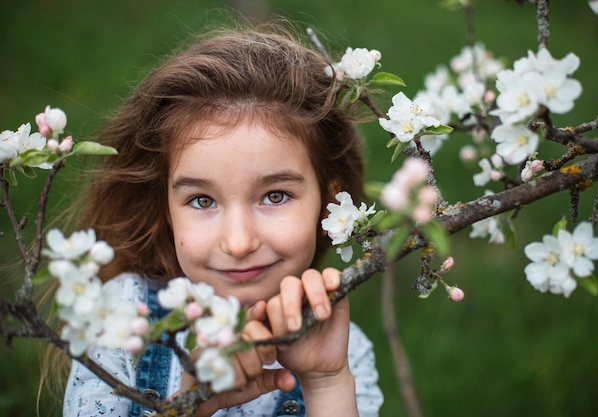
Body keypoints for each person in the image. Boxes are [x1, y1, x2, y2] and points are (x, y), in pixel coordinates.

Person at [61, 21, 383, 417]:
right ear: (167, 209)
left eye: (275, 196)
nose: (238, 242)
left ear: (330, 203)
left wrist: (326, 383)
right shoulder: (123, 316)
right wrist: (190, 407)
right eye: (201, 201)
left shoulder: (344, 350)